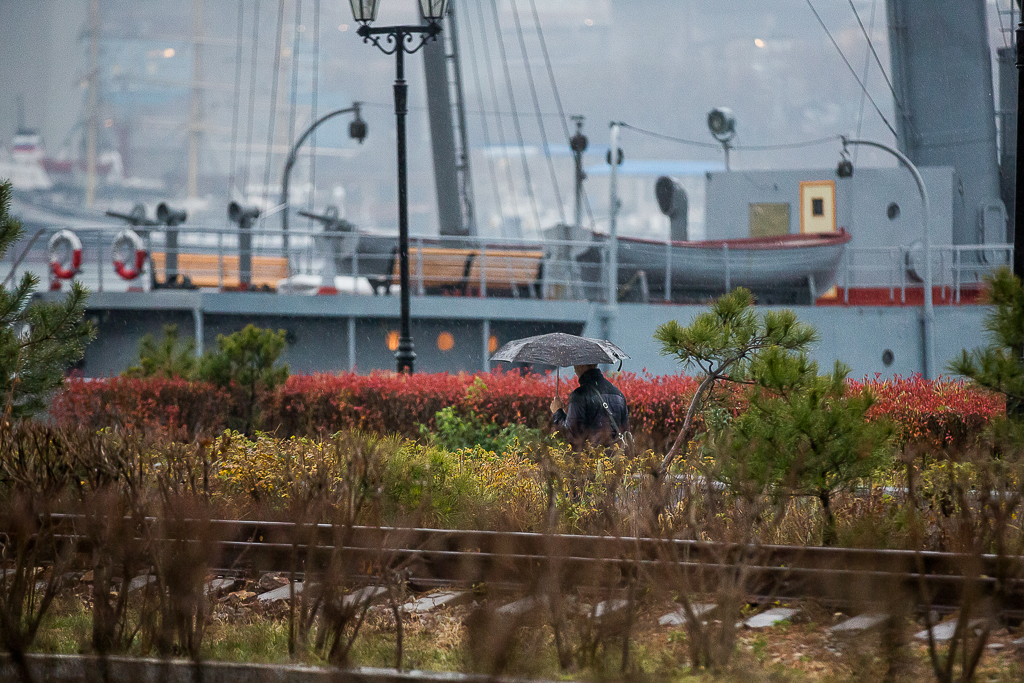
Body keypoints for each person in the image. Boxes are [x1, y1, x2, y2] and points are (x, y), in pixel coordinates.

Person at [550, 364, 629, 448]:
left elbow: (572, 433)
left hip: (591, 458)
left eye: (575, 365)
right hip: (617, 458)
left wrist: (557, 412)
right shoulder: (618, 394)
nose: (574, 369)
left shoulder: (579, 395)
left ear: (582, 366)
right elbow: (626, 431)